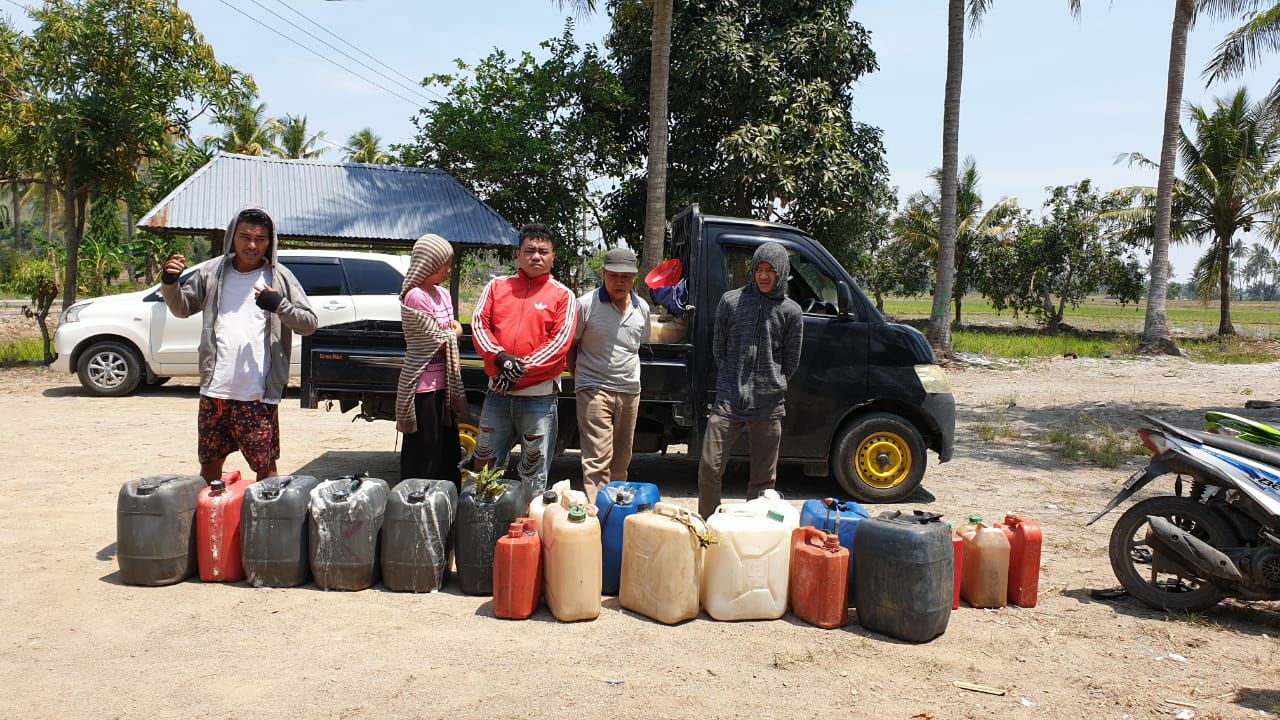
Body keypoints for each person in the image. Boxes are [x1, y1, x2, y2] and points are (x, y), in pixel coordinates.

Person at [160, 206, 318, 484]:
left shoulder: (279, 278)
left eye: (261, 238)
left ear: (271, 242)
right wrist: (170, 283)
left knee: (266, 470)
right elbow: (183, 308)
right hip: (215, 391)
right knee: (209, 467)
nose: (253, 245)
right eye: (245, 236)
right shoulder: (212, 272)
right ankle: (209, 525)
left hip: (257, 393)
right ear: (233, 237)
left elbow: (309, 323)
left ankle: (268, 523)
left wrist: (279, 304)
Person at [696, 242, 803, 519]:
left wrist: (770, 382)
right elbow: (719, 348)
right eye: (759, 269)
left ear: (781, 273)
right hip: (729, 399)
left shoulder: (791, 311)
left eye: (771, 270)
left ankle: (754, 533)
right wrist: (733, 379)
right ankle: (708, 526)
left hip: (768, 405)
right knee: (709, 466)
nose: (764, 276)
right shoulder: (731, 301)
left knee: (763, 480)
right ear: (753, 270)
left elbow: (791, 360)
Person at [470, 223, 577, 496]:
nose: (536, 256)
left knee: (533, 468)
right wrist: (500, 357)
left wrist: (517, 367)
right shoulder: (496, 286)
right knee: (484, 463)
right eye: (529, 250)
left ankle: (529, 526)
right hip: (497, 395)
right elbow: (479, 325)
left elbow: (559, 343)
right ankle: (481, 523)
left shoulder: (564, 295)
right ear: (518, 254)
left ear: (553, 257)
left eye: (543, 251)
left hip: (539, 399)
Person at [568, 247, 650, 504]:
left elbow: (640, 344)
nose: (619, 282)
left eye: (626, 277)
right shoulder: (585, 305)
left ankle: (616, 510)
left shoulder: (642, 308)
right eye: (613, 275)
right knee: (597, 459)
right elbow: (571, 346)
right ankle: (598, 515)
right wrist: (581, 379)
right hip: (593, 388)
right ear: (603, 274)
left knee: (621, 458)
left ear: (634, 278)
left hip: (629, 391)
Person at [396, 233, 468, 489]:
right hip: (423, 388)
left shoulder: (442, 295)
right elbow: (436, 338)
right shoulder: (415, 296)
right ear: (428, 263)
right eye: (444, 264)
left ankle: (445, 503)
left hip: (445, 387)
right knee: (424, 454)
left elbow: (443, 332)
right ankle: (416, 505)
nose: (448, 269)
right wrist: (455, 331)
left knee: (447, 453)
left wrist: (450, 331)